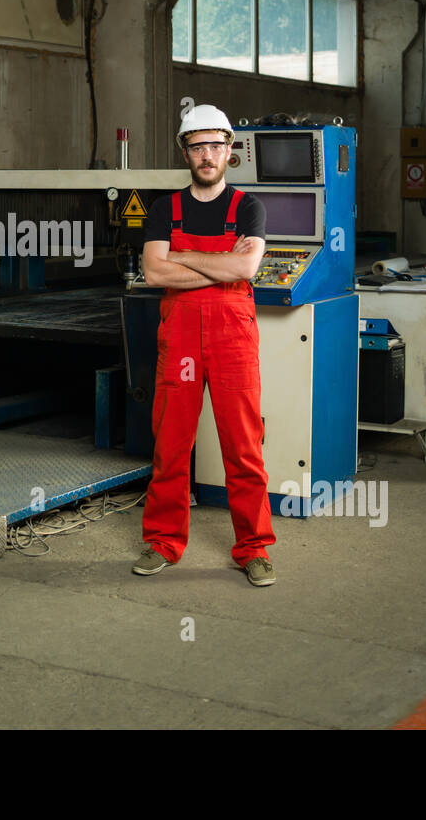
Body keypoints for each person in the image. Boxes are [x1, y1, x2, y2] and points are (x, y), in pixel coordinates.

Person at [132, 104, 276, 586]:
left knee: (244, 445)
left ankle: (254, 549)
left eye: (216, 145)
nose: (208, 154)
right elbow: (154, 272)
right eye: (198, 146)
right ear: (185, 151)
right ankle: (163, 543)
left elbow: (244, 270)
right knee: (171, 444)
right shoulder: (163, 209)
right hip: (181, 338)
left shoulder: (247, 207)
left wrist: (184, 256)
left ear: (230, 150)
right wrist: (216, 258)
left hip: (232, 337)